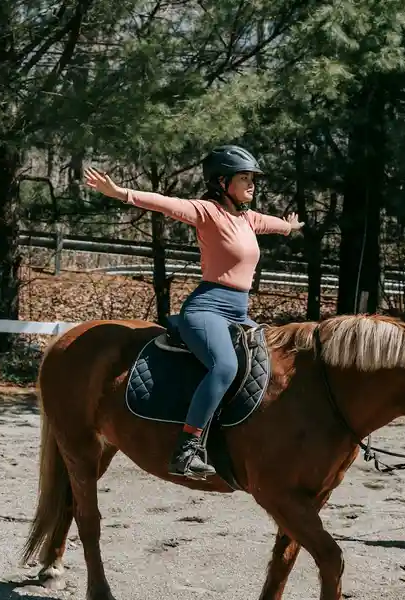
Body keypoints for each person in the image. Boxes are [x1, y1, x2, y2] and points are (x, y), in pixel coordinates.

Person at [83, 145, 303, 480]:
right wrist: (120, 193)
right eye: (244, 178)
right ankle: (187, 449)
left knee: (273, 363)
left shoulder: (247, 218)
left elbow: (273, 225)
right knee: (224, 366)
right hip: (207, 309)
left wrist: (289, 228)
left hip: (239, 312)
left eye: (252, 178)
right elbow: (162, 203)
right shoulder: (207, 212)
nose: (251, 184)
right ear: (222, 182)